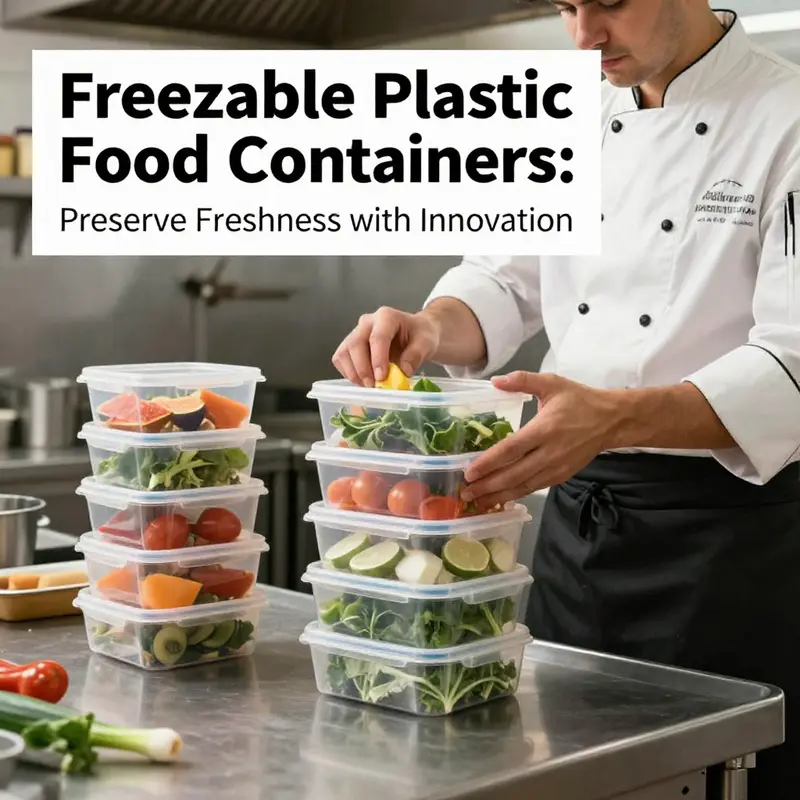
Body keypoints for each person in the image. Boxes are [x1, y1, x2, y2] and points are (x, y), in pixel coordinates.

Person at [332, 2, 800, 796]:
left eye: (609, 2)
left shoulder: (787, 119)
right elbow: (506, 278)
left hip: (729, 547)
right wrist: (426, 326)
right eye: (566, 6)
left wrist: (613, 416)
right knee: (567, 773)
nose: (583, 39)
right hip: (573, 535)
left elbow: (792, 362)